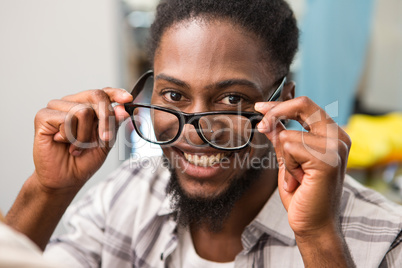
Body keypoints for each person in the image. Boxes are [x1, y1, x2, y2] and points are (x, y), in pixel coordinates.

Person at [5, 0, 402, 267]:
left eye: (231, 99)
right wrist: (47, 191)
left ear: (285, 101)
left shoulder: (384, 238)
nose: (195, 130)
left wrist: (318, 238)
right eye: (174, 94)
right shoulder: (125, 196)